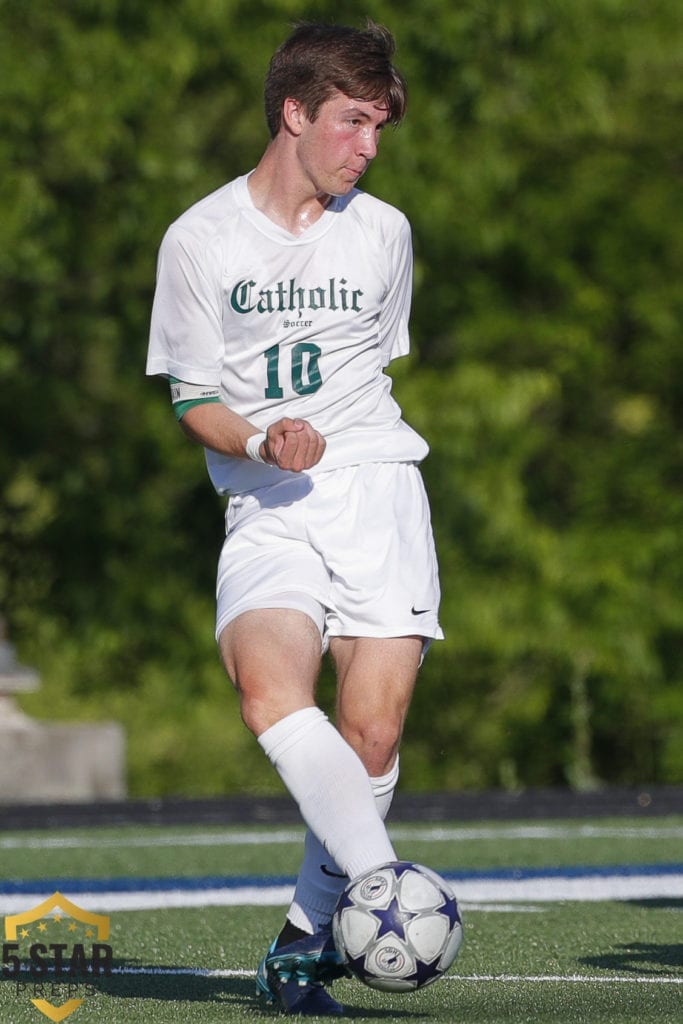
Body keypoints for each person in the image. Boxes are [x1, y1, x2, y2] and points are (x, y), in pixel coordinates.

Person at [147, 19, 443, 1016]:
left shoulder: (384, 233)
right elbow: (191, 397)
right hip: (267, 504)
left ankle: (304, 940)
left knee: (370, 733)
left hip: (377, 494)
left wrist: (325, 443)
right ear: (293, 112)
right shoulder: (198, 238)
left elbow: (373, 371)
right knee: (267, 691)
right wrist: (257, 441)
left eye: (377, 127)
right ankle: (387, 891)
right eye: (352, 122)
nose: (368, 144)